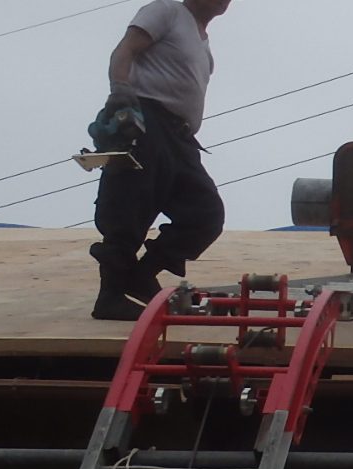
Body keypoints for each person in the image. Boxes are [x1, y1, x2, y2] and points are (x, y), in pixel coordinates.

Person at [88, 0, 230, 321]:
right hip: (147, 120)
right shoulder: (166, 11)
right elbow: (124, 50)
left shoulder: (203, 46)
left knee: (205, 213)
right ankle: (109, 297)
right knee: (128, 206)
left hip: (180, 138)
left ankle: (141, 275)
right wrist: (120, 91)